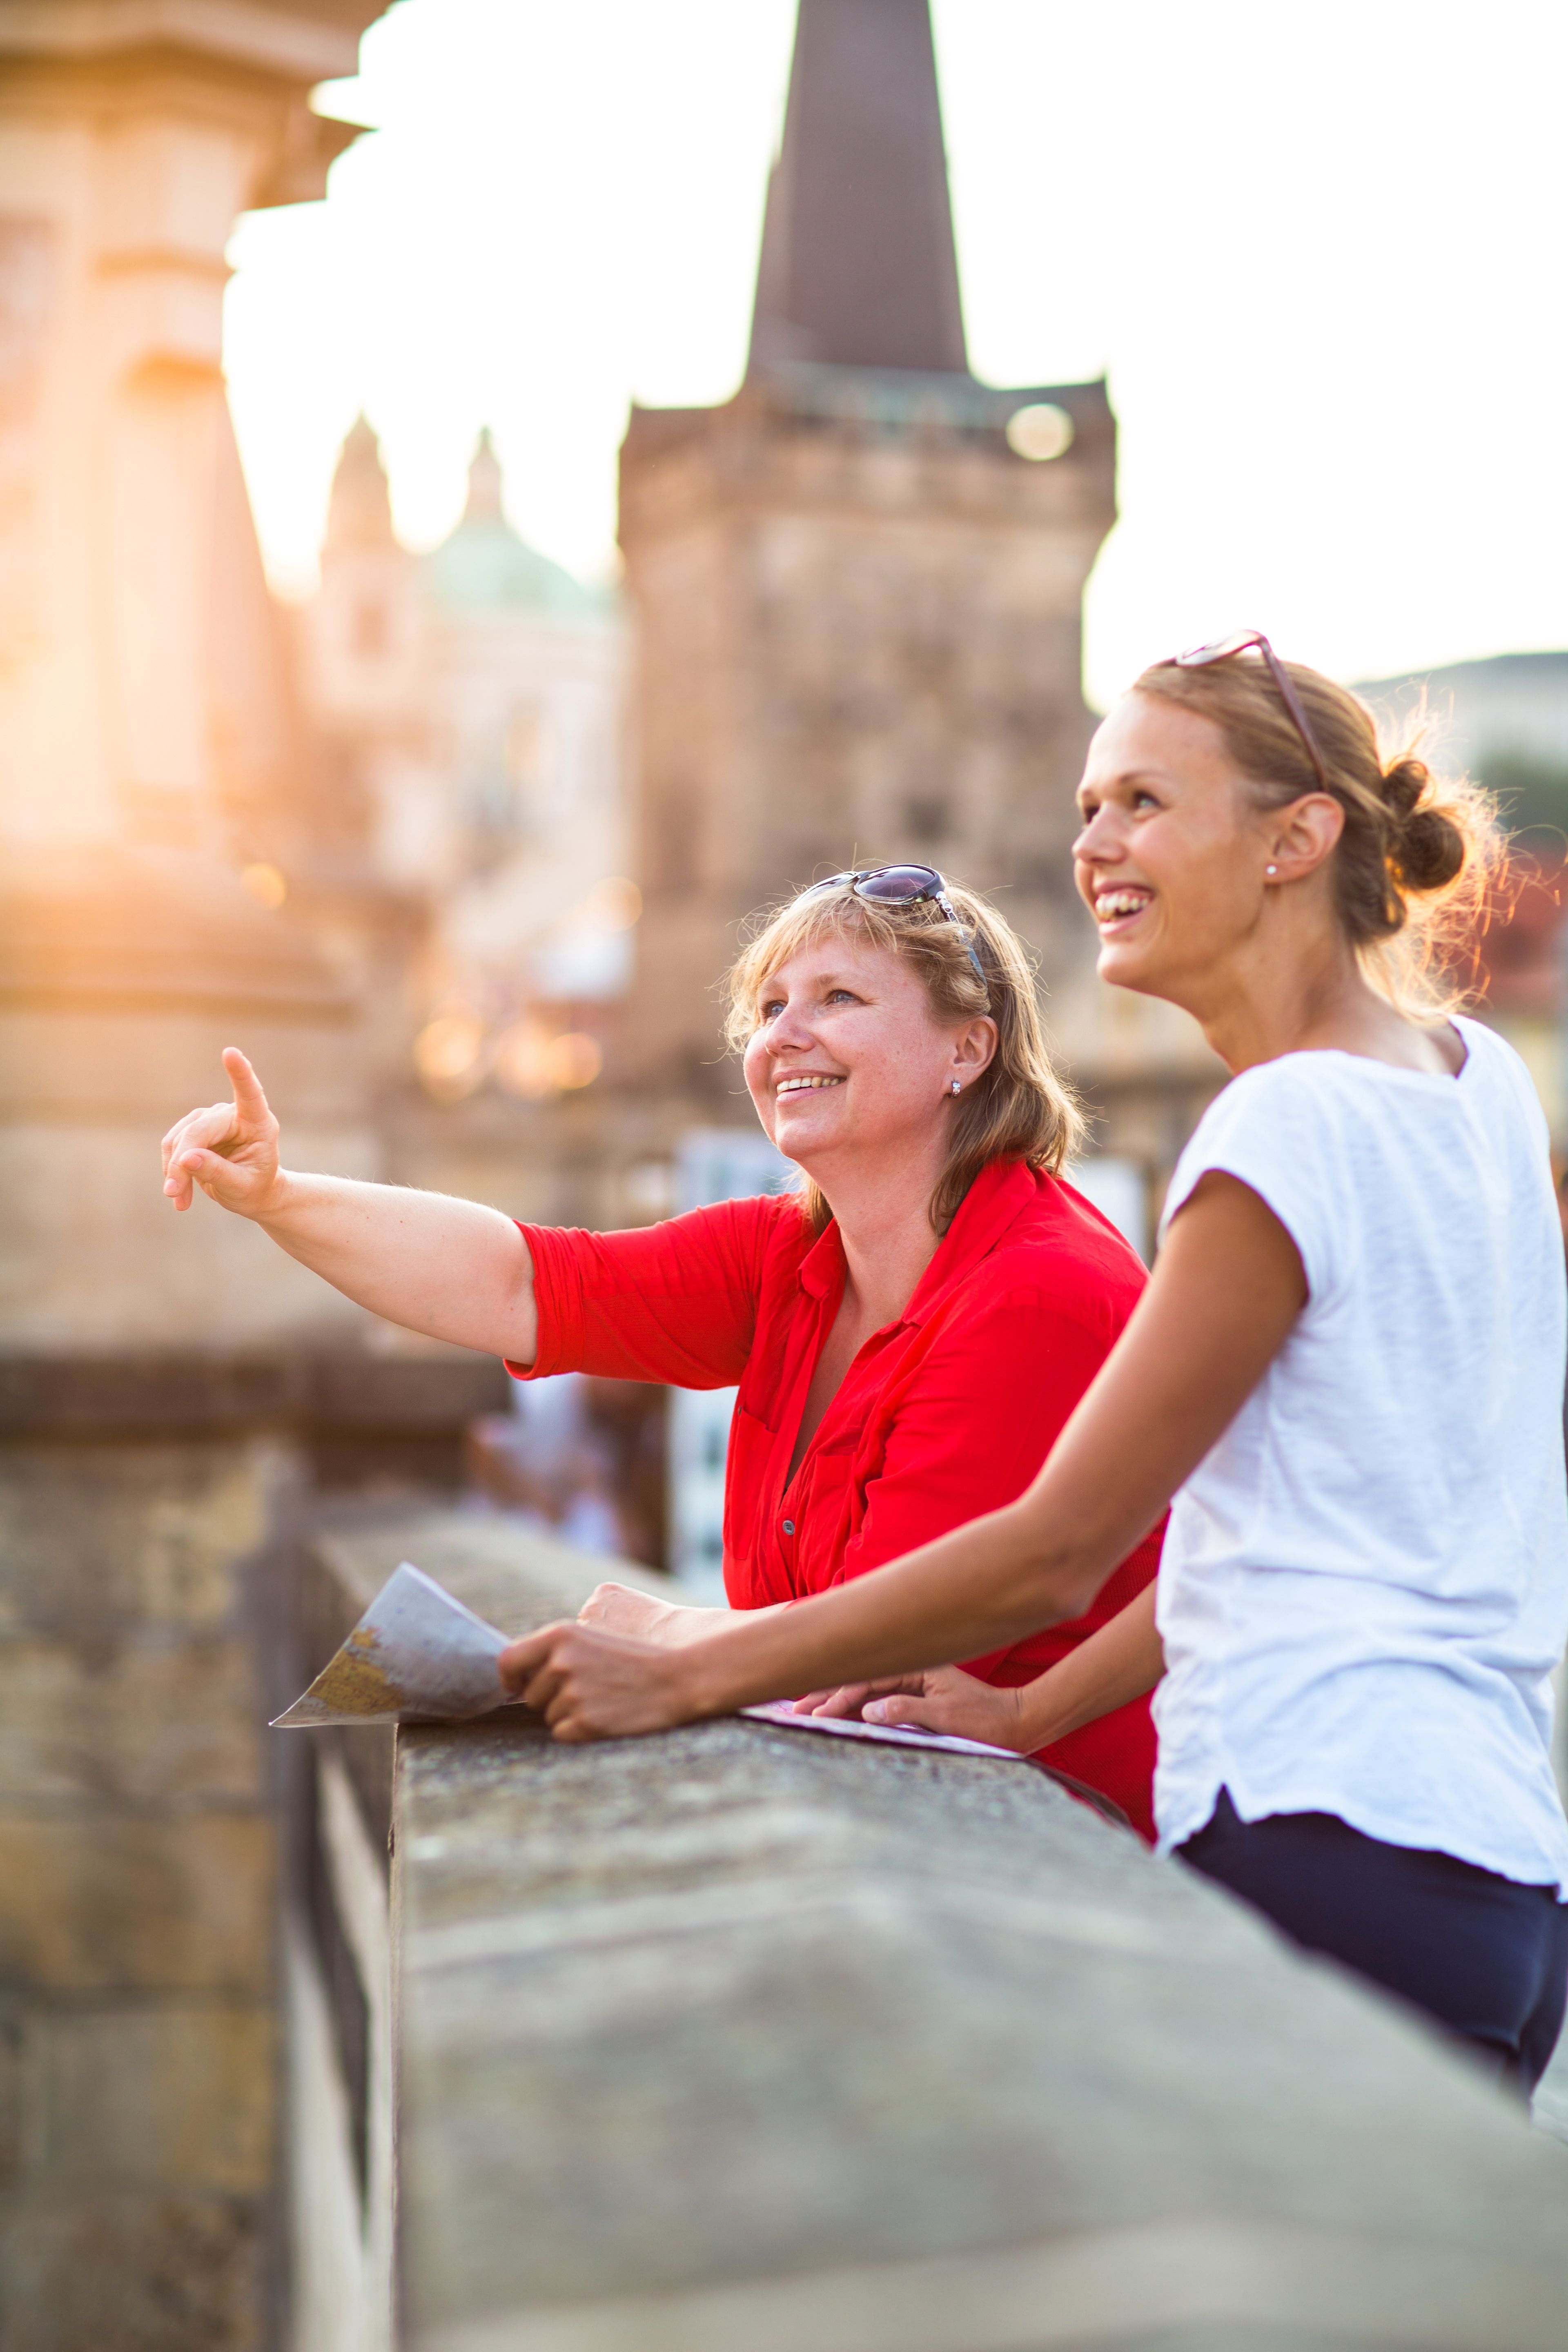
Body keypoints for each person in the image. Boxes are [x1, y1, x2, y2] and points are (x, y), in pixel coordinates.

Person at [502, 638, 1568, 2095]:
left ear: (1295, 840)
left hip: (1318, 1841)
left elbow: (1059, 1553)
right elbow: (1239, 1528)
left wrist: (688, 1674)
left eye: (1142, 800)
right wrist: (1025, 1716)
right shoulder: (1477, 1083)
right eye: (1087, 805)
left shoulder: (1286, 1130)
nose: (1093, 845)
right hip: (1498, 1872)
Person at [160, 867, 1165, 1833]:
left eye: (839, 997)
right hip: (895, 1813)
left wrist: (661, 1632)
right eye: (769, 1008)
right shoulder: (789, 1252)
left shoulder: (1038, 1288)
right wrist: (279, 1197)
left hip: (1076, 1854)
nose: (787, 1036)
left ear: (968, 1050)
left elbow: (870, 1653)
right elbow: (521, 1283)